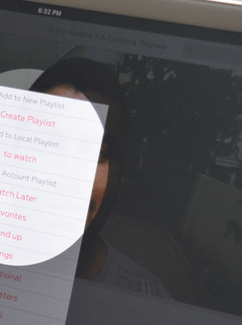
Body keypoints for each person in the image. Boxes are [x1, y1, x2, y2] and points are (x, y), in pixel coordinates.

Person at [29, 59, 170, 298]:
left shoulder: (151, 301)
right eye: (50, 144)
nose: (70, 177)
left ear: (121, 171)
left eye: (97, 152)